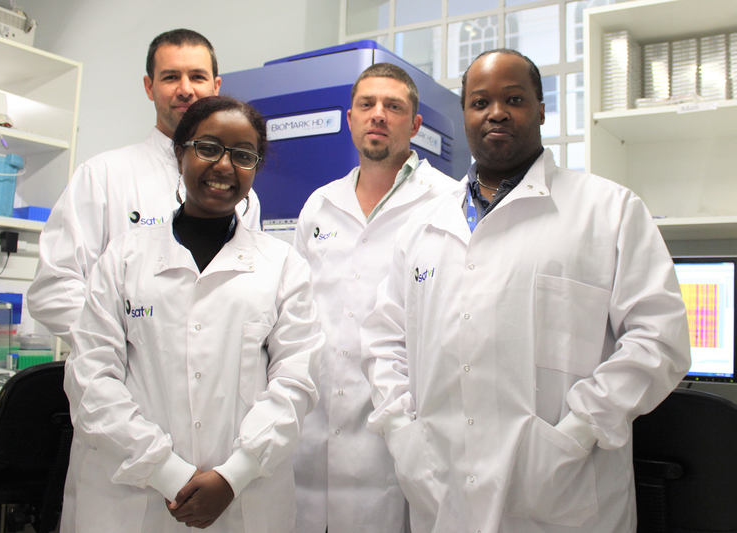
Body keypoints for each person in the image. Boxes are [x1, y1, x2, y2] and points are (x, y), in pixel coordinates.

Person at [360, 49, 691, 533]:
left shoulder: (608, 211)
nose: (496, 112)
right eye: (479, 102)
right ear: (465, 115)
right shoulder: (421, 227)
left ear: (540, 108)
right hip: (440, 486)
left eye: (513, 99)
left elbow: (659, 339)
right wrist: (401, 431)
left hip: (565, 489)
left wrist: (578, 432)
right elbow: (384, 340)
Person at [61, 96, 323, 533]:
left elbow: (297, 383)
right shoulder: (124, 259)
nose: (224, 166)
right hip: (135, 501)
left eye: (243, 155)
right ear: (180, 151)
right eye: (208, 148)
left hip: (244, 500)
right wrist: (167, 473)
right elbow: (91, 381)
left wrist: (233, 475)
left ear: (255, 167)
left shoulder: (283, 266)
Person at [292, 63, 461, 533]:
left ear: (416, 124)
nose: (378, 115)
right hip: (313, 431)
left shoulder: (448, 204)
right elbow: (293, 318)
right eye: (367, 105)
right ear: (350, 119)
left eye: (393, 106)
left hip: (398, 436)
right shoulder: (319, 205)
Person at [27, 29, 261, 346]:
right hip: (123, 377)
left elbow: (250, 290)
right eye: (170, 77)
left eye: (197, 76)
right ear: (149, 87)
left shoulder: (241, 196)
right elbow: (54, 287)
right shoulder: (103, 176)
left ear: (215, 87)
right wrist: (124, 345)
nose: (185, 89)